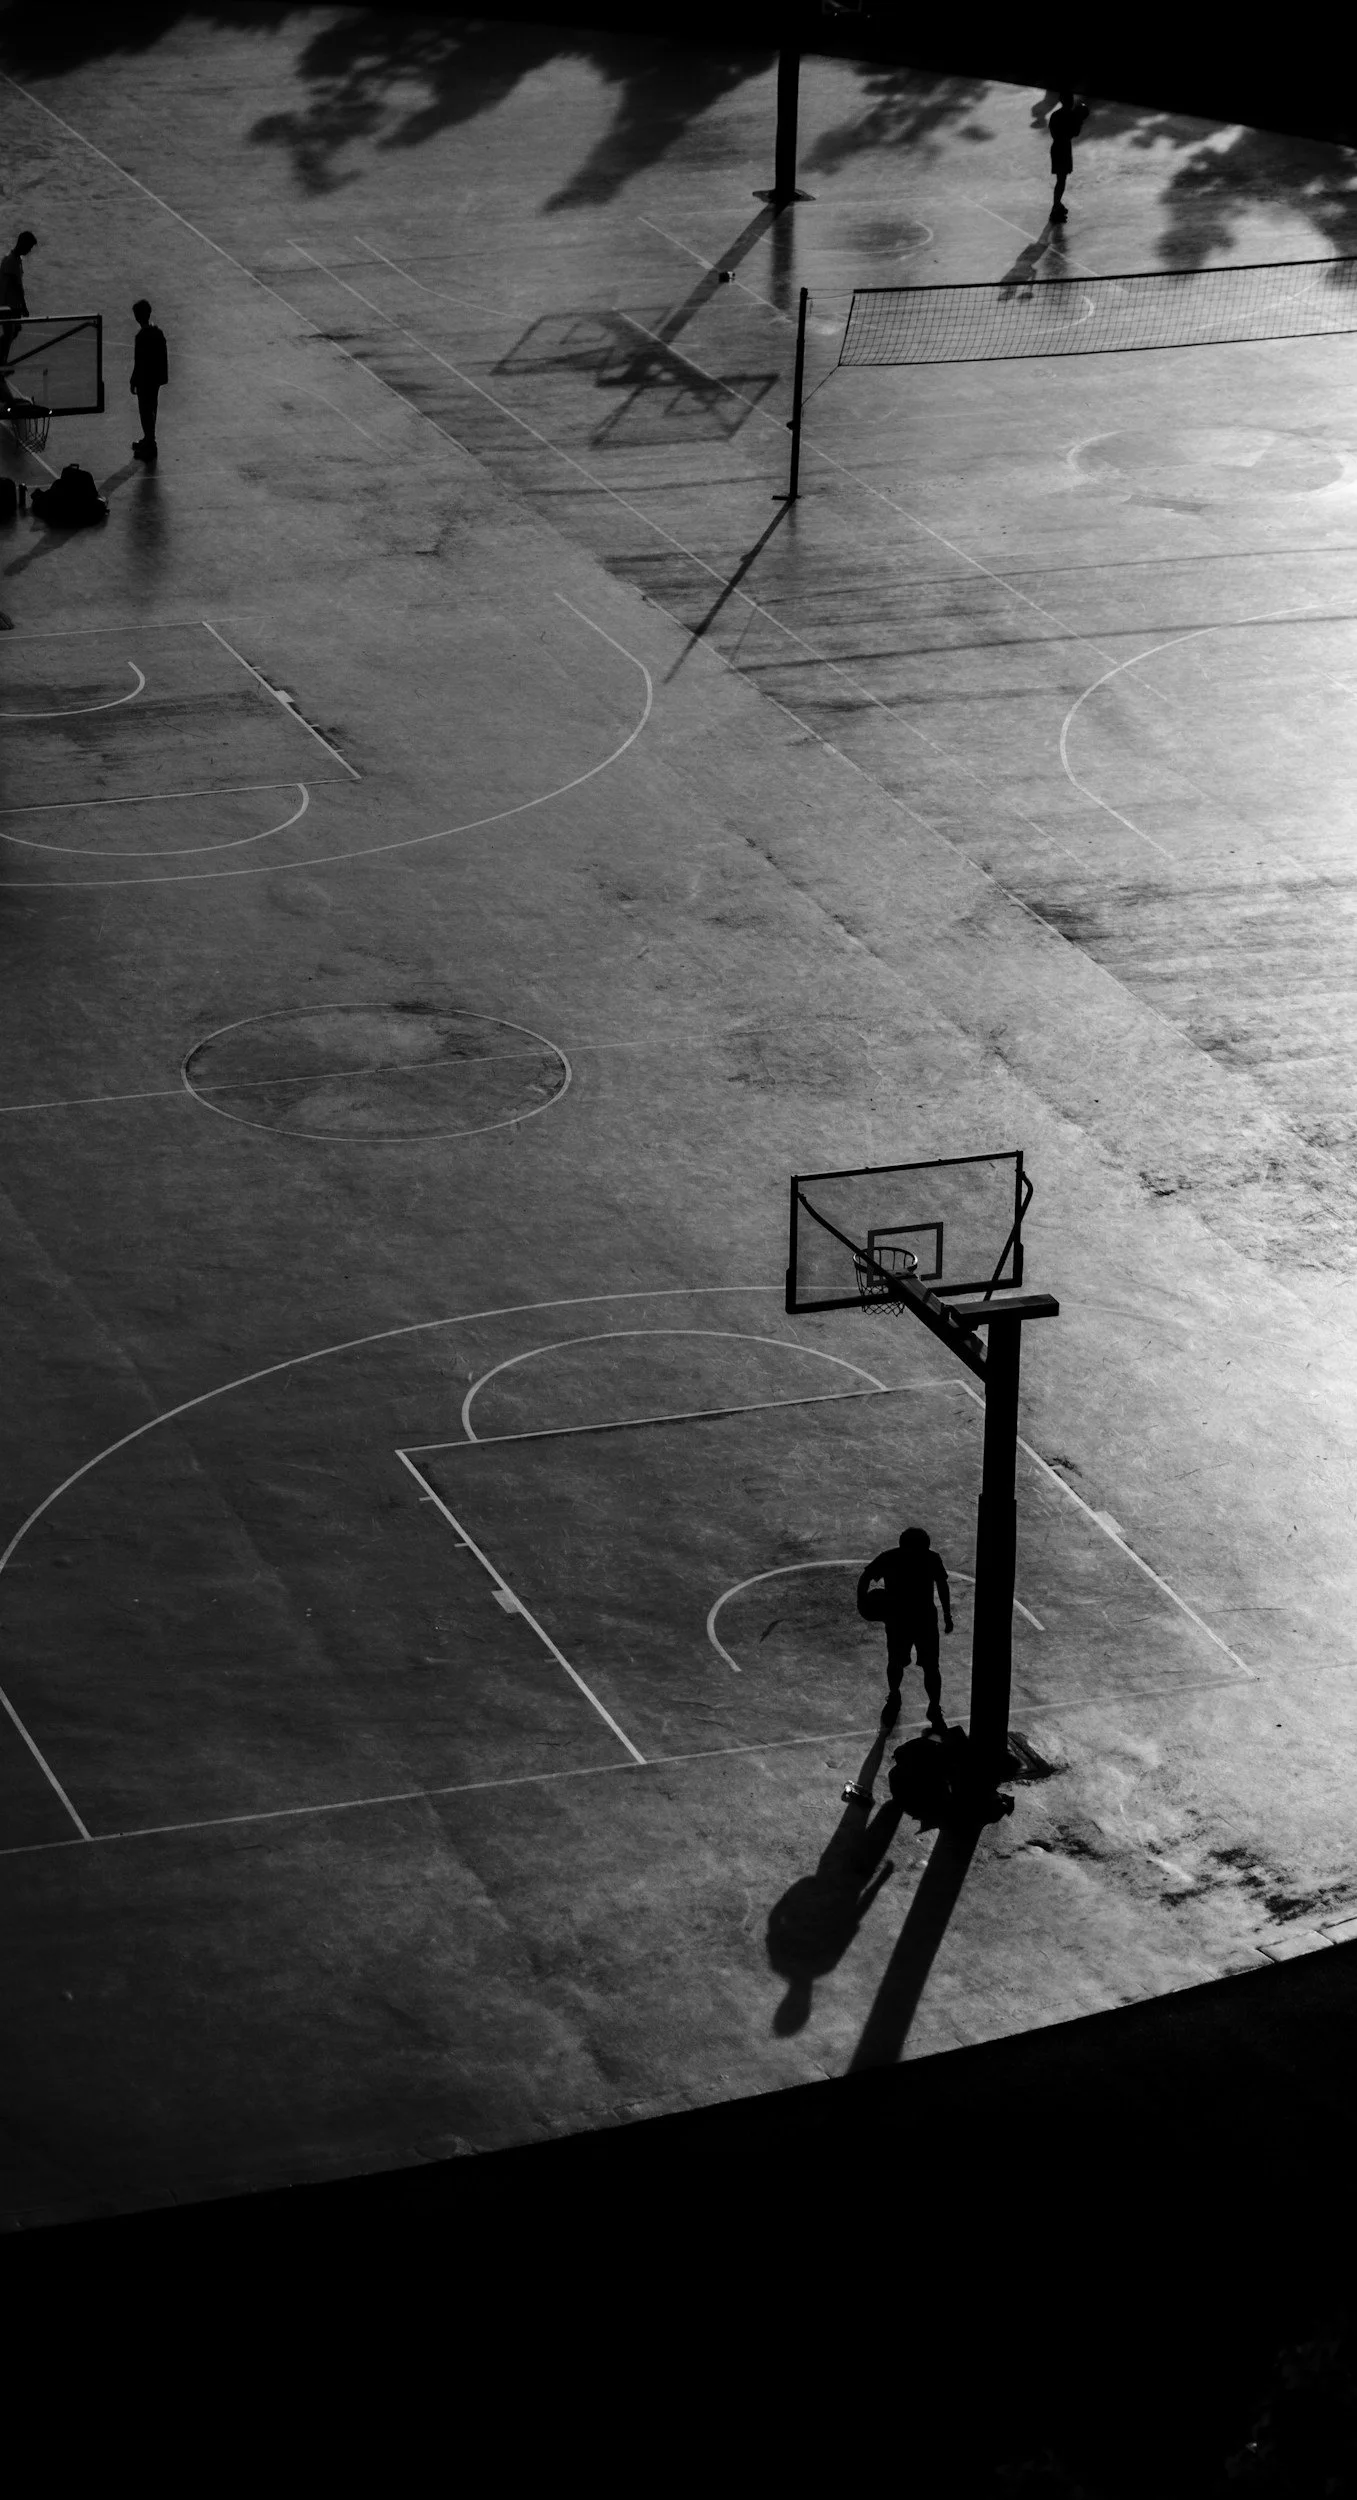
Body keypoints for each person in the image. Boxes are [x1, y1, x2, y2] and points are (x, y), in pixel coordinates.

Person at [857, 1524, 953, 1731]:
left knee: (899, 1663)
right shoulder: (930, 1558)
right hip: (922, 1619)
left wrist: (862, 1602)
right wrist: (947, 1614)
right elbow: (943, 1586)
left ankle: (896, 1697)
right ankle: (932, 1707)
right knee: (929, 1666)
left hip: (900, 1619)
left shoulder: (891, 1557)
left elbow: (865, 1577)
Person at [130, 298, 168, 460]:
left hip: (145, 380)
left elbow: (139, 362)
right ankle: (149, 439)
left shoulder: (141, 336)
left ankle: (150, 443)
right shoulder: (158, 333)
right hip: (155, 378)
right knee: (152, 408)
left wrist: (134, 380)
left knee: (145, 411)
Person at [0, 229, 36, 402]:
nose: (29, 251)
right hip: (8, 308)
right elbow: (7, 286)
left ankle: (2, 360)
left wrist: (23, 306)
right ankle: (1, 361)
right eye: (28, 247)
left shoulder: (15, 261)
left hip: (13, 307)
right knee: (8, 334)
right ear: (22, 243)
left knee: (13, 332)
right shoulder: (10, 262)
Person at [1047, 92, 1090, 224]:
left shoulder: (1055, 115)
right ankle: (1055, 207)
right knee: (1061, 180)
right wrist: (1079, 121)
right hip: (1063, 149)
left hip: (1057, 147)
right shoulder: (1071, 115)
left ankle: (1057, 204)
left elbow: (1054, 133)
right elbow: (1074, 133)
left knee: (1061, 179)